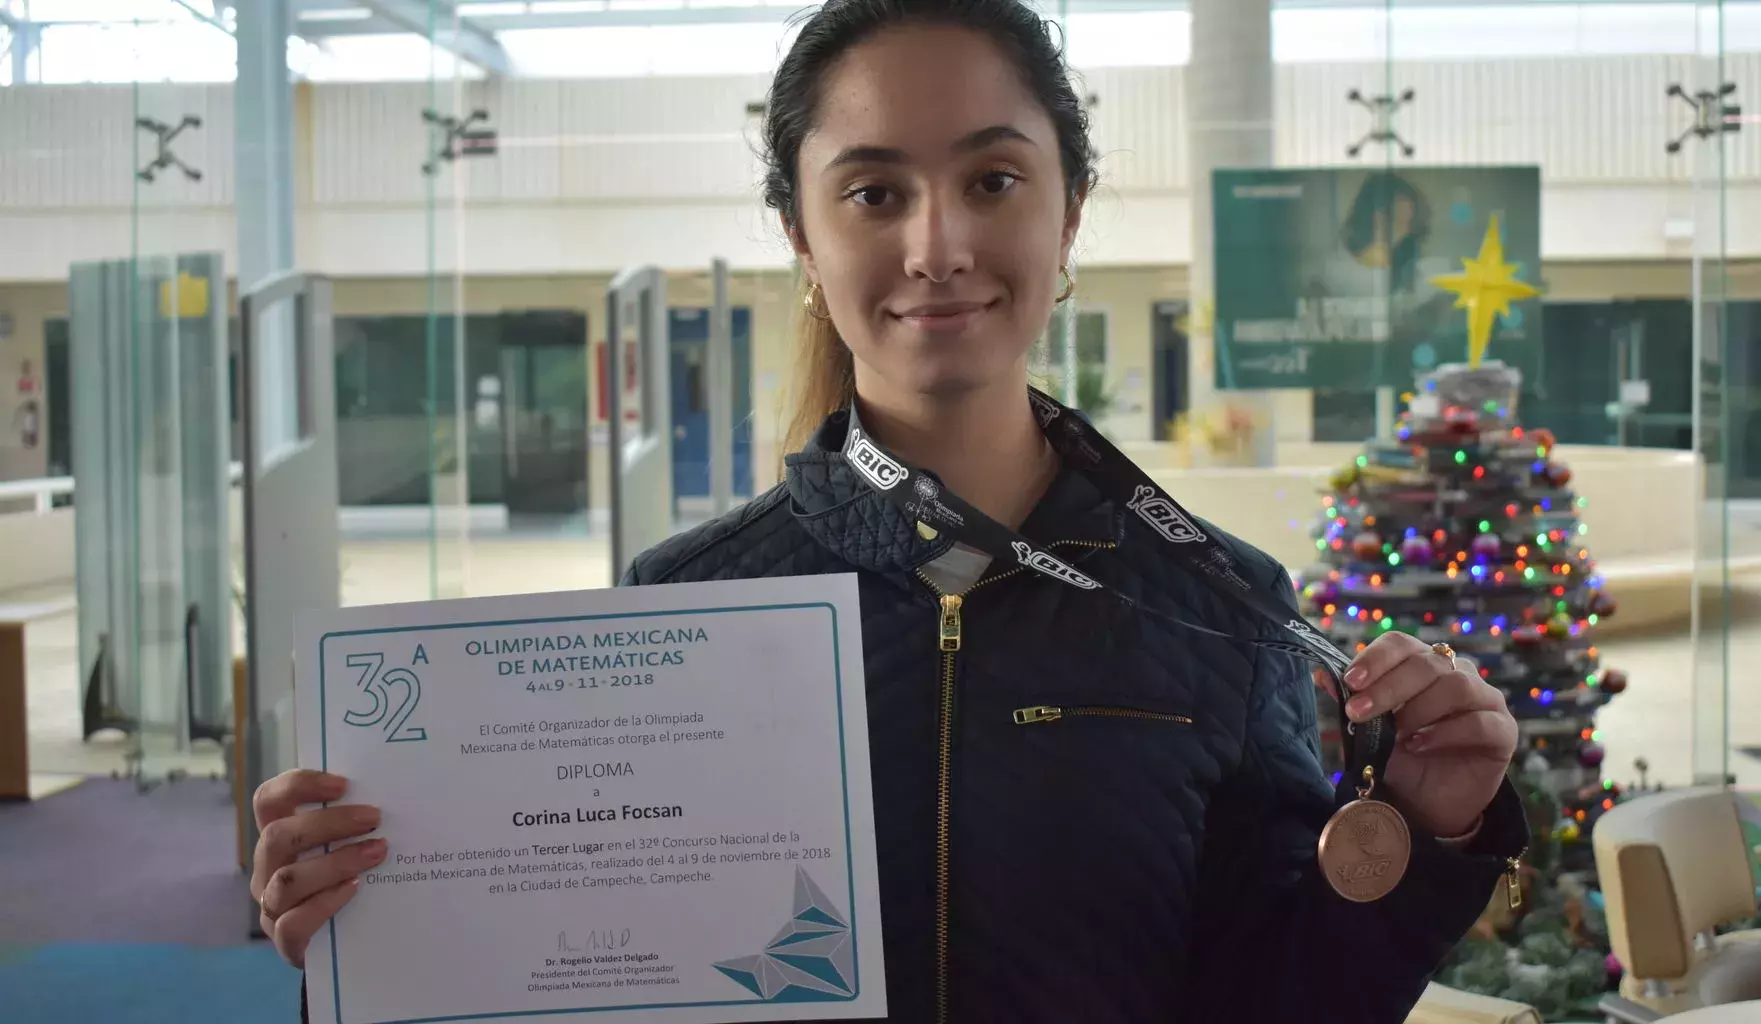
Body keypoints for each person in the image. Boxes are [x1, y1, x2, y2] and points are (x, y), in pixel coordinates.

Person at [250, 1, 1527, 1020]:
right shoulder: (685, 604)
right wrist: (383, 933)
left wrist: (1424, 828)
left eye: (992, 180)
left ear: (1068, 213)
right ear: (803, 240)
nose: (935, 246)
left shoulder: (1223, 608)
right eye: (872, 192)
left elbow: (1273, 998)